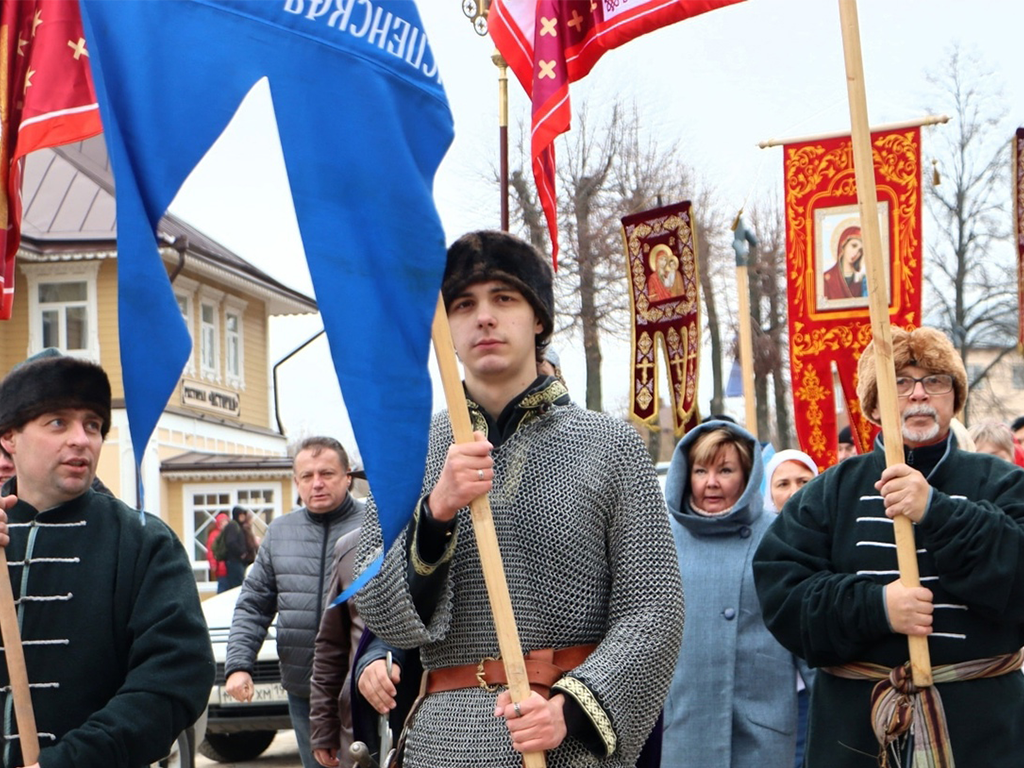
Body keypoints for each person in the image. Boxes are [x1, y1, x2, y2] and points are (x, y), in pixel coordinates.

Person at [353, 230, 684, 768]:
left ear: (538, 320)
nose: (484, 317)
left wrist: (570, 709)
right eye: (464, 305)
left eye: (503, 299)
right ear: (446, 329)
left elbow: (653, 609)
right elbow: (382, 612)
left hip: (562, 739)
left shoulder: (610, 445)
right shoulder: (409, 455)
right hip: (444, 741)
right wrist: (437, 511)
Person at [753, 325, 1024, 768]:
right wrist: (877, 606)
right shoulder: (829, 493)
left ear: (954, 398)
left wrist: (938, 511)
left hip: (986, 736)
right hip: (855, 737)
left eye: (934, 381)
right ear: (874, 405)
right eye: (900, 382)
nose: (918, 395)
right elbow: (784, 597)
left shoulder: (1003, 484)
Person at [0, 354, 213, 767]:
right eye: (58, 422)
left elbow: (175, 677)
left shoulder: (142, 542)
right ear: (10, 435)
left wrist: (70, 761)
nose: (81, 439)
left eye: (93, 425)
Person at [662, 422, 811, 768]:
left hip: (760, 727)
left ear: (746, 476)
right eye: (701, 470)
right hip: (686, 724)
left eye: (725, 470)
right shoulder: (663, 541)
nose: (710, 482)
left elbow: (805, 633)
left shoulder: (778, 537)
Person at [225, 436, 364, 768]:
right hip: (304, 690)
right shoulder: (279, 533)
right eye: (307, 475)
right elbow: (254, 604)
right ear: (296, 481)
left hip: (363, 686)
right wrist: (239, 665)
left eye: (327, 473)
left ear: (348, 476)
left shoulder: (376, 526)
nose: (317, 483)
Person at [762, 448, 819, 768]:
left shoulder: (835, 535)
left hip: (828, 681)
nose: (794, 492)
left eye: (804, 480)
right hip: (779, 691)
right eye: (782, 483)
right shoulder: (759, 544)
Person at [822, 225, 867, 300]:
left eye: (860, 251)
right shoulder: (827, 279)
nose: (856, 253)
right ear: (843, 245)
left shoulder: (861, 280)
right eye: (854, 246)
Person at [207, 510, 230, 591]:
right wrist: (213, 564)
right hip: (221, 568)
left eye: (225, 521)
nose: (224, 523)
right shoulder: (214, 535)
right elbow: (211, 551)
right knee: (222, 588)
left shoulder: (230, 533)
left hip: (230, 568)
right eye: (222, 522)